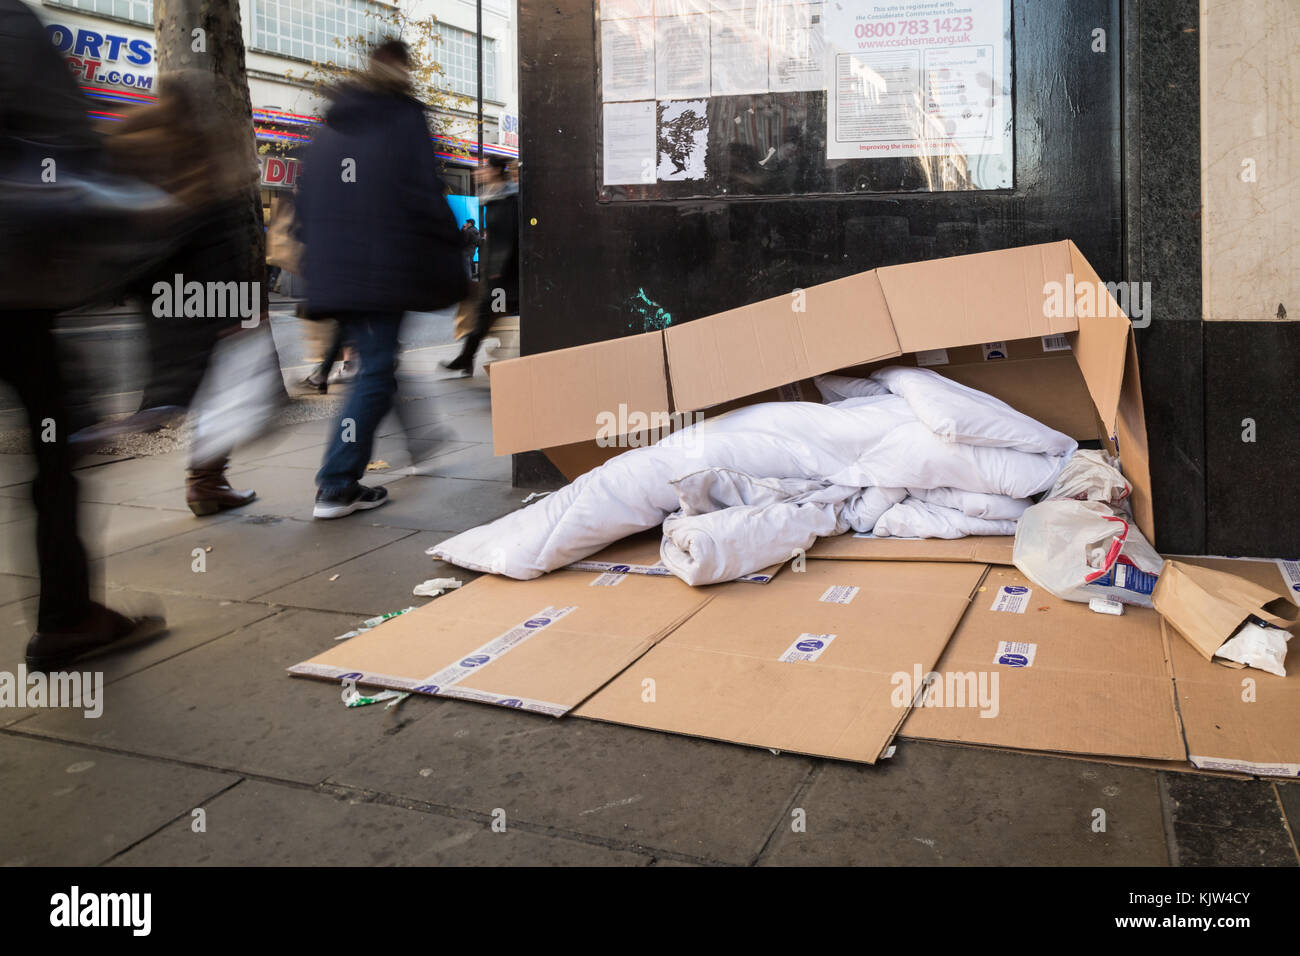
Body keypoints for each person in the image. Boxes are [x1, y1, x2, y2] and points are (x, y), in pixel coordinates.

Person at [0, 0, 164, 670]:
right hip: (15, 285)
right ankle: (67, 617)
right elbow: (63, 146)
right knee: (54, 445)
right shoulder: (12, 25)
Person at [295, 38, 464, 518]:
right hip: (379, 270)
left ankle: (419, 441)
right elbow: (422, 193)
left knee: (377, 363)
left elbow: (305, 202)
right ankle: (335, 484)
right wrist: (453, 245)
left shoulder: (329, 126)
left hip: (337, 270)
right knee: (374, 371)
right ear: (402, 69)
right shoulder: (402, 116)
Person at [82, 70, 260, 517]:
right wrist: (240, 309)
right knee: (210, 391)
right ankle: (203, 481)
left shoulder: (139, 144)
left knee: (176, 385)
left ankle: (202, 476)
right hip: (208, 293)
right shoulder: (202, 153)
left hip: (159, 295)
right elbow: (217, 240)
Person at [441, 156, 518, 376]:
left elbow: (506, 238)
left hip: (501, 277)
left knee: (488, 317)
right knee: (487, 318)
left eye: (483, 168)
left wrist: (495, 270)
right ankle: (469, 360)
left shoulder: (506, 199)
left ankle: (472, 360)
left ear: (495, 171)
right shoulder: (494, 197)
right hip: (495, 274)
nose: (478, 172)